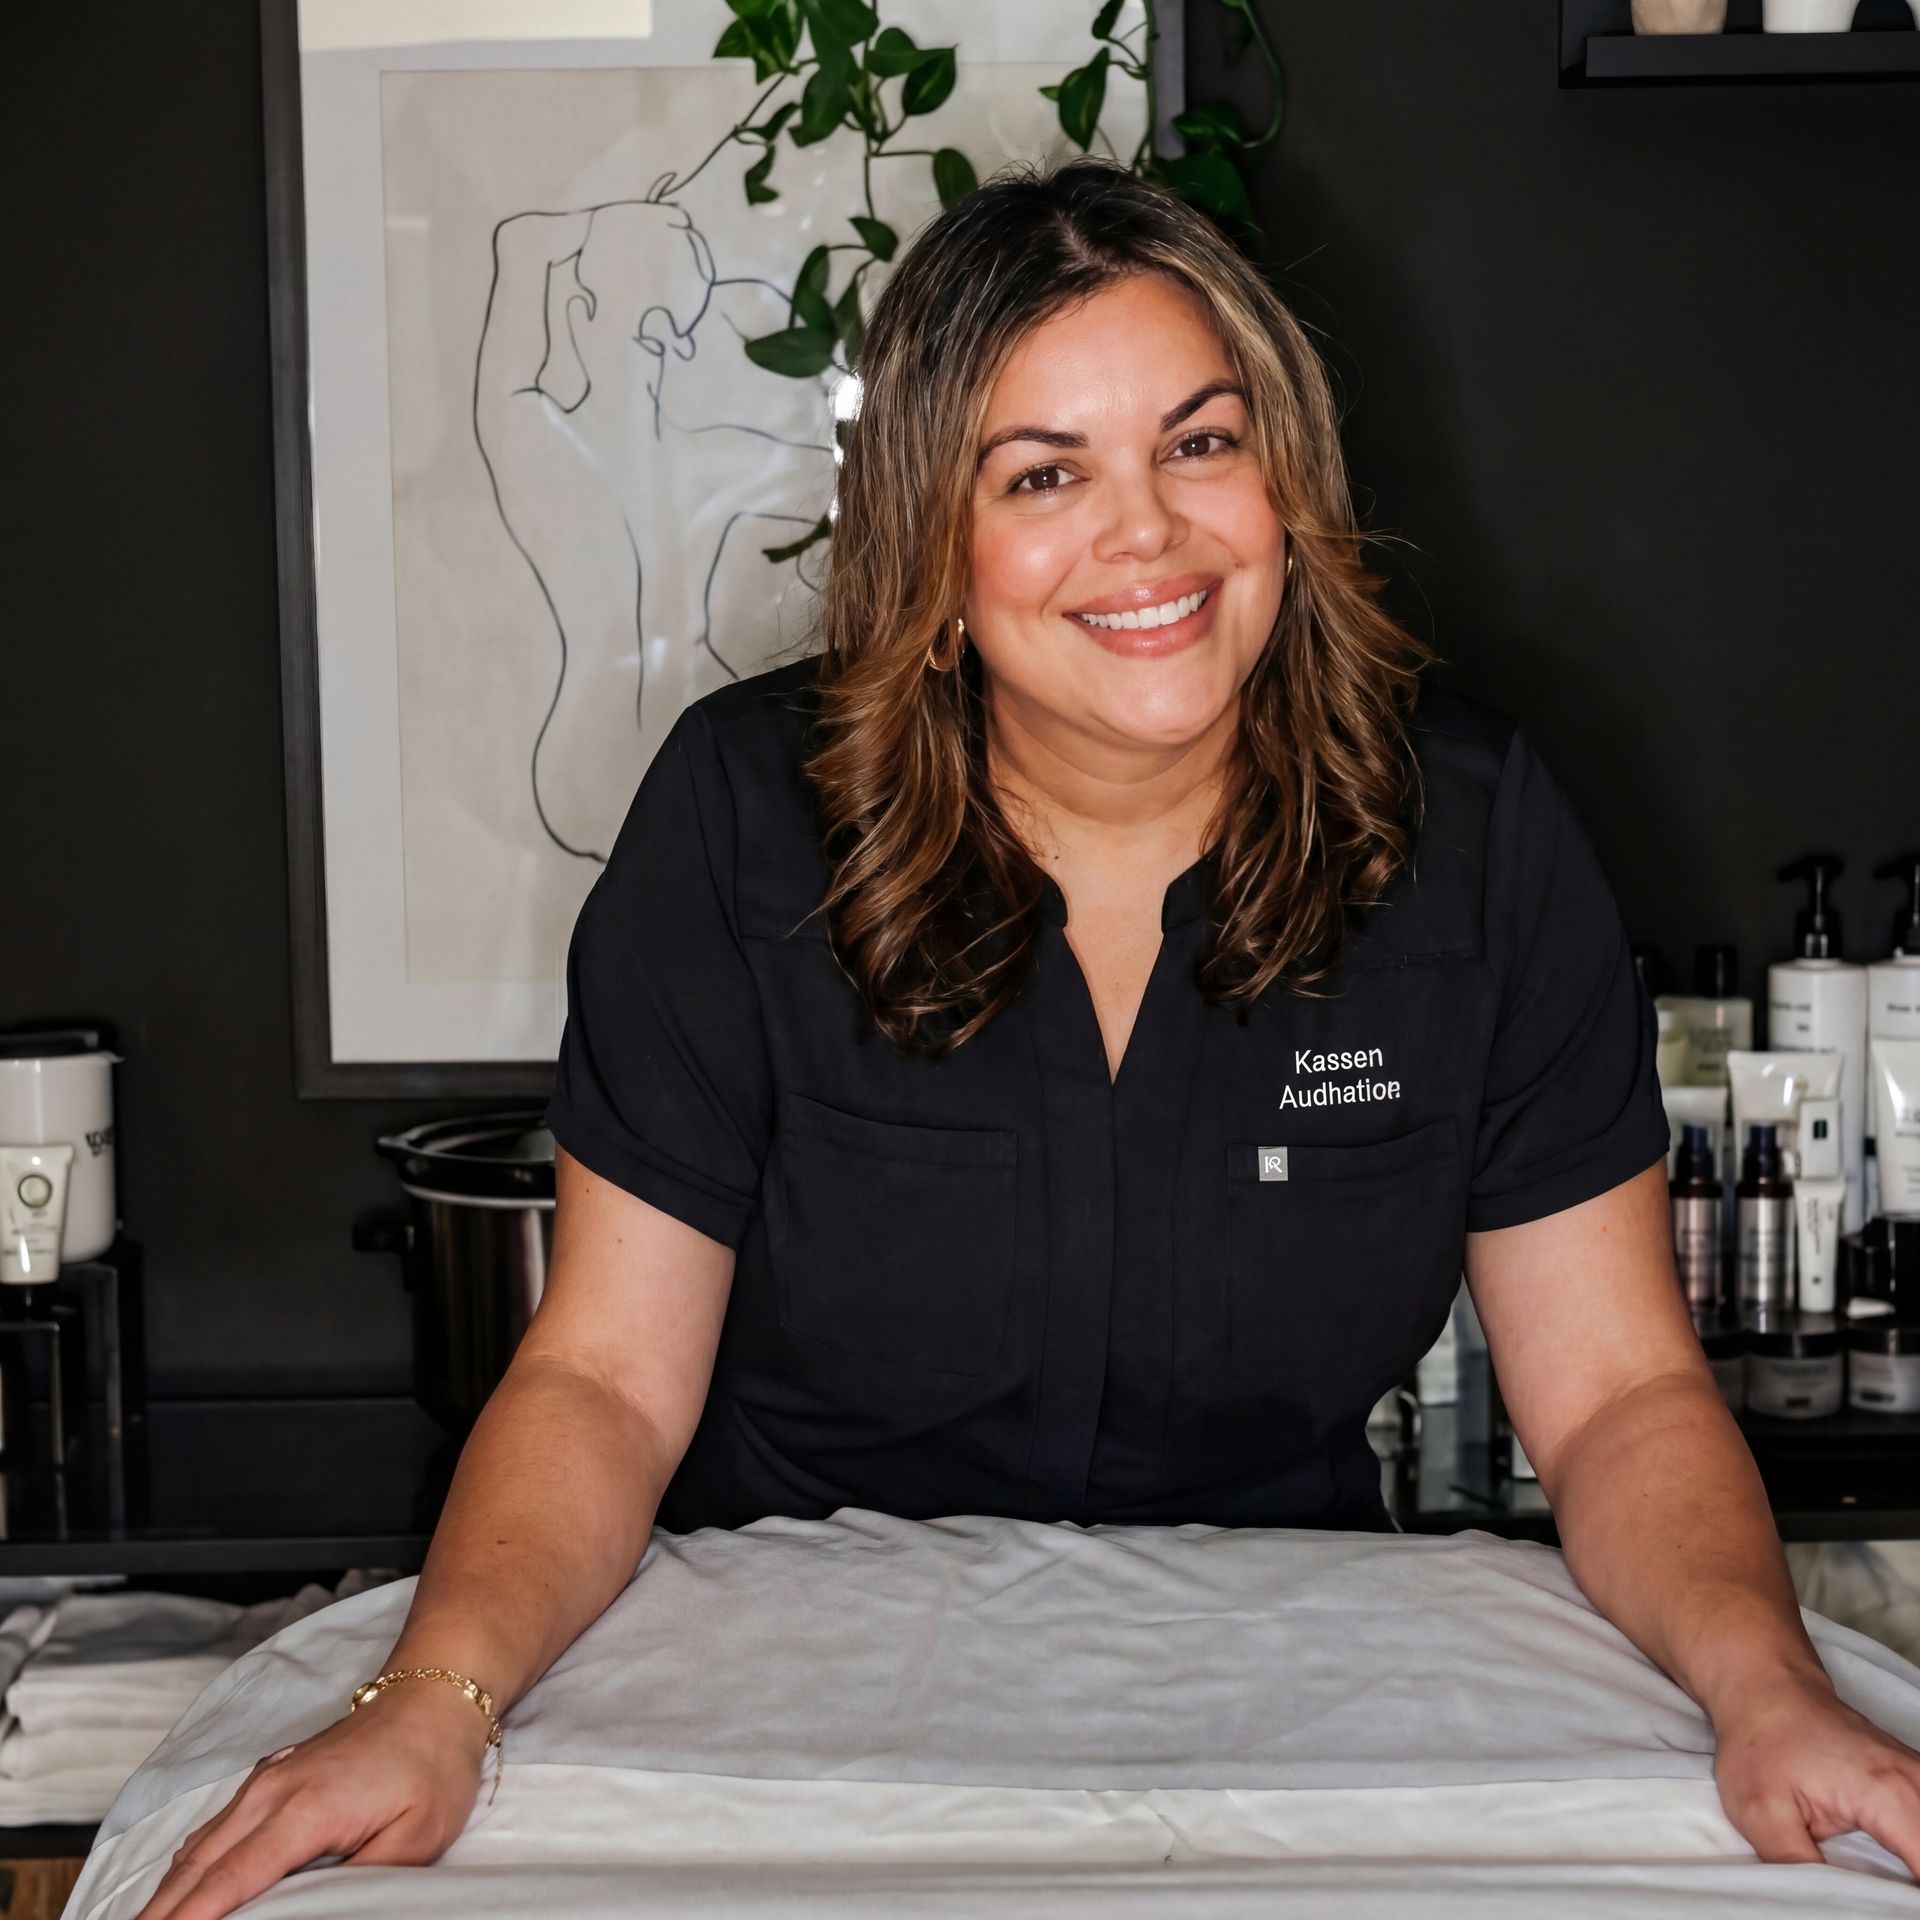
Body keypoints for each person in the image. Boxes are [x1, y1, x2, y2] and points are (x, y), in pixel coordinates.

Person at [136, 156, 1920, 1918]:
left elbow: (1614, 1398)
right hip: (781, 1682)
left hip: (1282, 1689)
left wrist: (1769, 1691)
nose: (1142, 534)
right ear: (934, 532)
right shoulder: (743, 824)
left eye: (1199, 444)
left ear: (1285, 479)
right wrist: (431, 1707)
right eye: (1044, 473)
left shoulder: (1474, 831)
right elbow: (603, 1381)